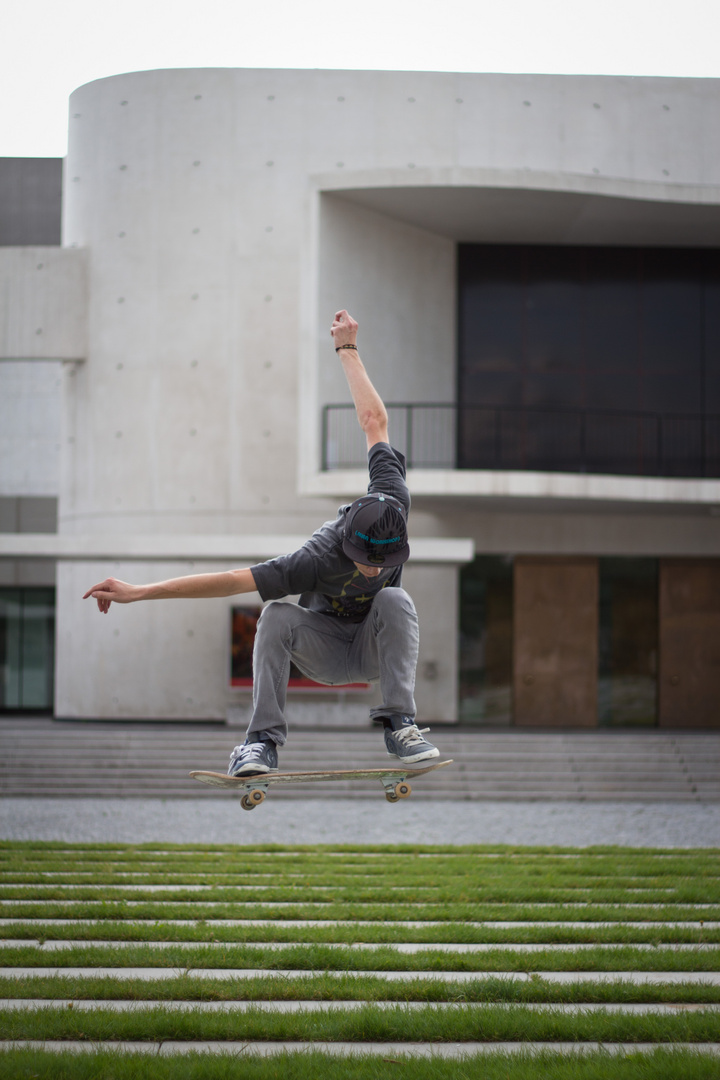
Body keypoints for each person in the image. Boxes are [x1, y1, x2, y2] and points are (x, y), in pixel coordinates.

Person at [84, 310, 440, 777]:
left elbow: (373, 420)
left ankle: (401, 726)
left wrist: (347, 348)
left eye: (383, 561)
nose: (372, 570)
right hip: (325, 650)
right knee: (274, 615)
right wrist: (140, 591)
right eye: (364, 563)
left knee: (395, 599)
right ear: (349, 543)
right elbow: (230, 581)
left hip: (376, 648)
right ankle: (260, 743)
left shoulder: (393, 499)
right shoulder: (316, 556)